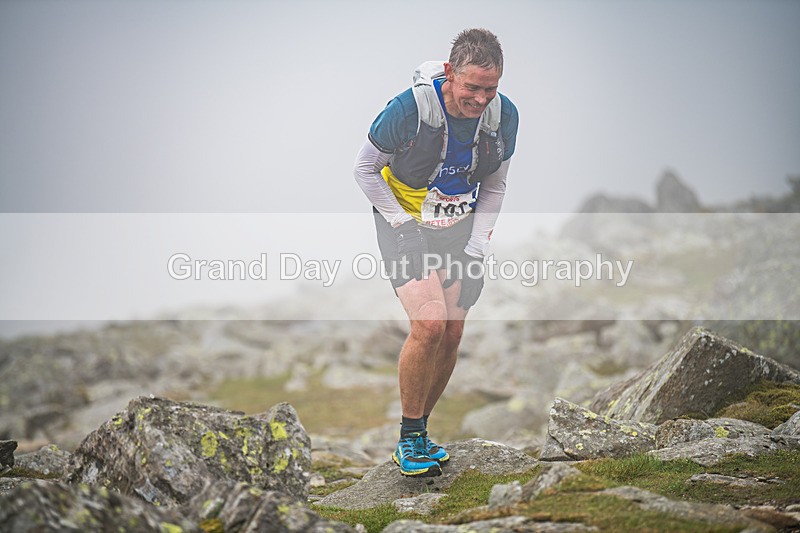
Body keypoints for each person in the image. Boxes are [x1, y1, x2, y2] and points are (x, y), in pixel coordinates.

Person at [353, 28, 519, 477]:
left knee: (451, 333)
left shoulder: (503, 116)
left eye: (491, 88)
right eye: (472, 87)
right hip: (404, 224)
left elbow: (495, 186)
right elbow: (364, 169)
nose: (481, 99)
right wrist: (401, 224)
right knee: (429, 324)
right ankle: (407, 440)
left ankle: (421, 431)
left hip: (457, 227)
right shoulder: (408, 109)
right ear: (450, 72)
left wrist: (477, 250)